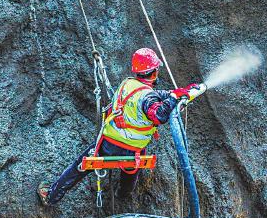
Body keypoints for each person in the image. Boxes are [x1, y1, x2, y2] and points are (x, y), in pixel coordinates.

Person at [37, 48, 200, 206]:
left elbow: (156, 96)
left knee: (79, 166)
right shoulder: (148, 96)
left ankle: (52, 196)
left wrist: (177, 93)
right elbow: (158, 115)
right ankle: (123, 195)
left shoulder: (128, 84)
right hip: (133, 150)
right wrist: (173, 98)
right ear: (155, 71)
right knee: (132, 168)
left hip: (109, 145)